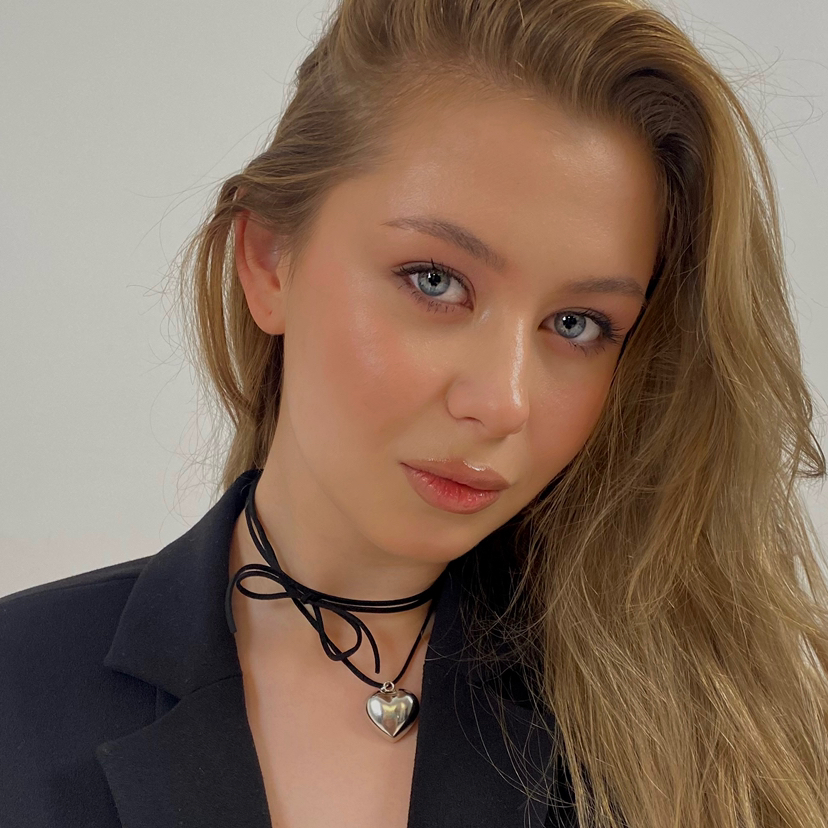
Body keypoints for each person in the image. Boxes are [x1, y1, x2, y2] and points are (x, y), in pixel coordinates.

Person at [2, 0, 827, 826]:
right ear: (269, 261)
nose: (502, 402)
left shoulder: (719, 736)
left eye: (577, 324)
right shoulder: (19, 689)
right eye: (435, 281)